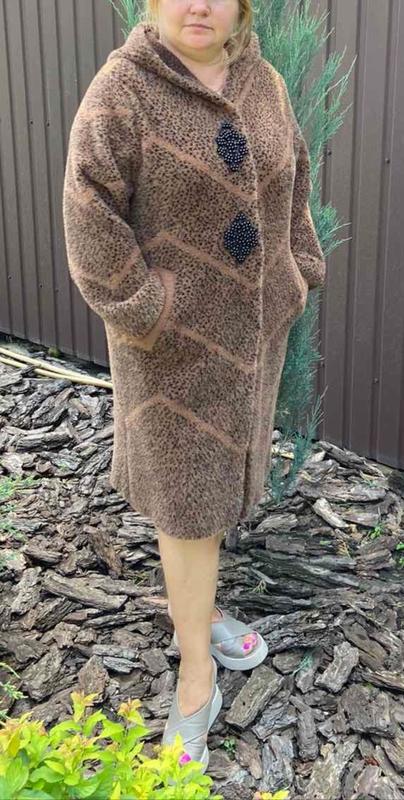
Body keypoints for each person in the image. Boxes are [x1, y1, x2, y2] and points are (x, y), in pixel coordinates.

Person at [63, 0, 326, 772]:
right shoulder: (123, 92)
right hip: (170, 355)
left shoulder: (261, 80)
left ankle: (197, 612)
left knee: (213, 498)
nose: (199, 4)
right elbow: (88, 214)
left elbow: (294, 176)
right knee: (185, 507)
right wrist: (148, 310)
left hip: (251, 340)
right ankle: (196, 680)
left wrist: (298, 268)